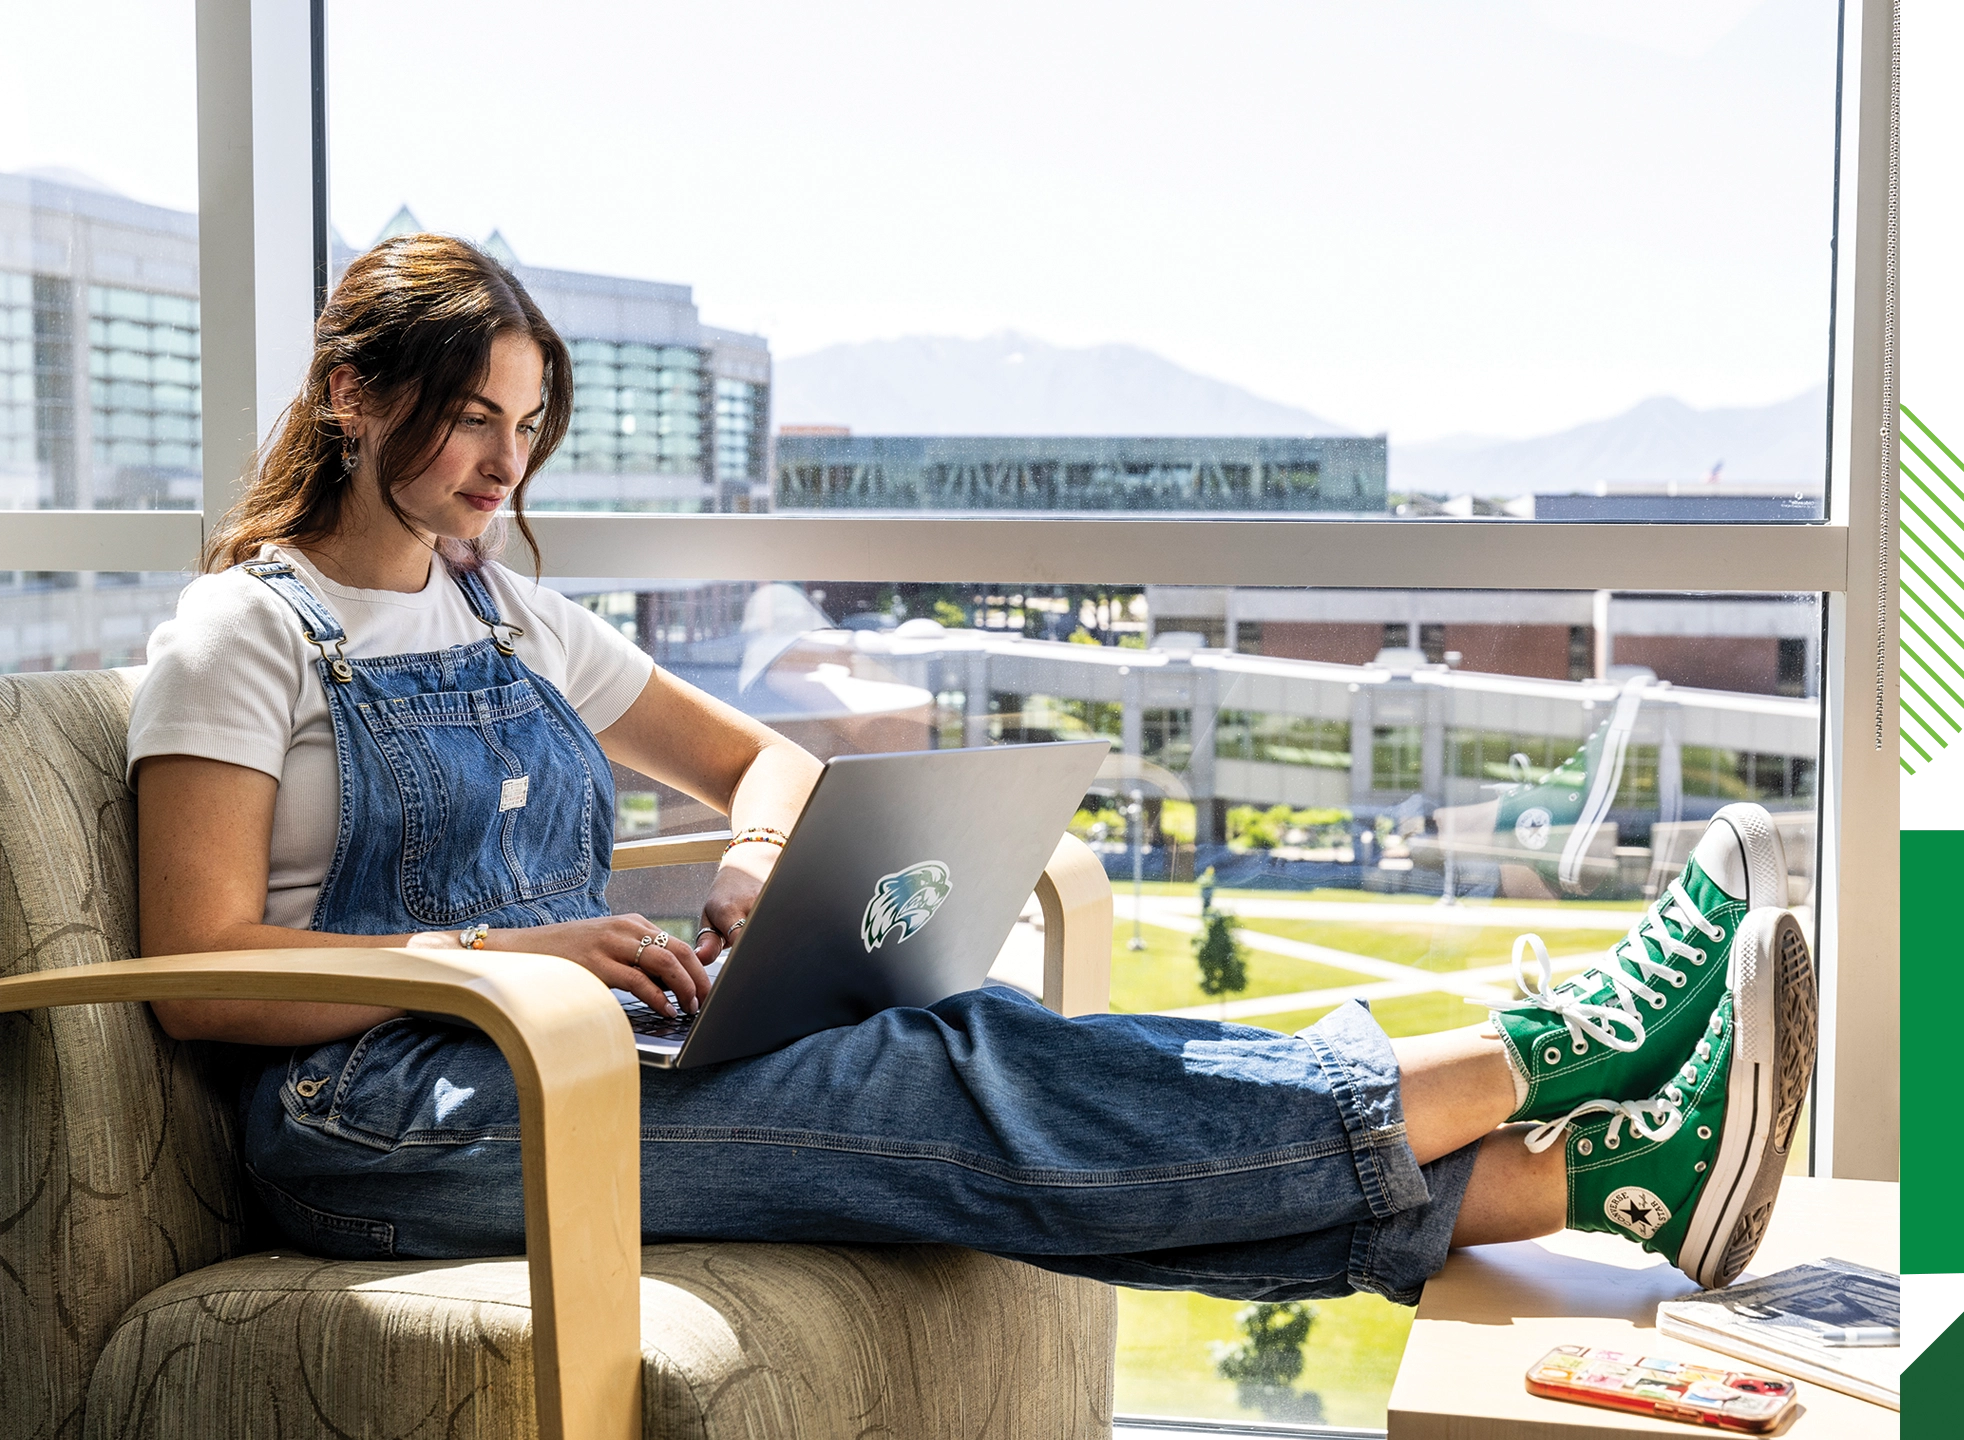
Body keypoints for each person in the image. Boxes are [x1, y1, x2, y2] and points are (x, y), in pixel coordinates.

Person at [130, 235, 1814, 1304]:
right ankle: (1555, 1046)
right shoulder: (242, 635)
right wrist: (513, 960)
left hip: (577, 1054)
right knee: (916, 1091)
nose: (507, 462)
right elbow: (200, 978)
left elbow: (762, 762)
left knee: (966, 1040)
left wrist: (751, 865)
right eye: (473, 419)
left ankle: (1609, 1178)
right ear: (355, 395)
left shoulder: (509, 614)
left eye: (525, 423)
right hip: (379, 1125)